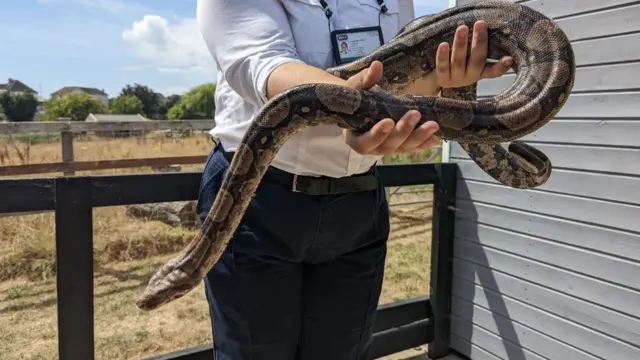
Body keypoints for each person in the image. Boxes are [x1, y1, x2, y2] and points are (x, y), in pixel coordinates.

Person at [195, 0, 512, 359]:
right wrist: (360, 109)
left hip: (357, 200)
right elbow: (262, 66)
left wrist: (440, 79)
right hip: (256, 199)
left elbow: (402, 82)